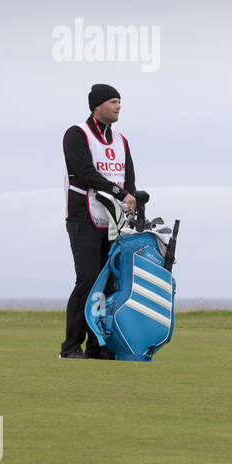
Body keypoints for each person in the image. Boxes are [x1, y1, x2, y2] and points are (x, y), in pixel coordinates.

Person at [60, 84, 137, 359]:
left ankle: (96, 346)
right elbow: (83, 174)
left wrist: (133, 195)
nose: (118, 106)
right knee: (88, 280)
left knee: (106, 285)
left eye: (120, 102)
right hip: (83, 218)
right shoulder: (76, 134)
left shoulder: (121, 141)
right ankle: (70, 346)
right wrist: (120, 192)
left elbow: (128, 178)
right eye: (113, 101)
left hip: (113, 222)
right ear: (97, 106)